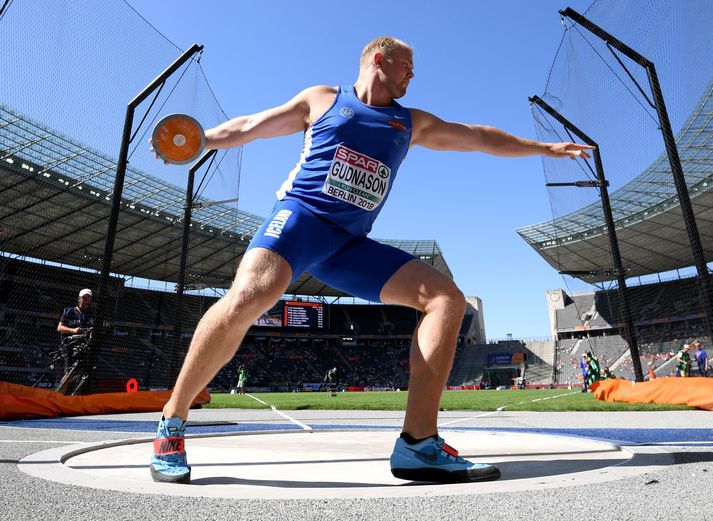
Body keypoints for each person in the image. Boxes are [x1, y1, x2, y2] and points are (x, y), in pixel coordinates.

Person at [149, 36, 593, 485]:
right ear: (379, 60)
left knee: (446, 298)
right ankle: (172, 420)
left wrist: (542, 148)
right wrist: (201, 139)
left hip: (348, 244)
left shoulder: (410, 122)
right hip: (300, 218)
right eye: (407, 65)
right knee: (252, 295)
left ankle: (419, 444)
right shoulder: (322, 98)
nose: (412, 75)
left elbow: (477, 137)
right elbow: (253, 125)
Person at [56, 289, 94, 375]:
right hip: (69, 347)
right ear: (79, 299)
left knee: (85, 373)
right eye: (84, 298)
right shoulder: (69, 312)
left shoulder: (91, 314)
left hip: (84, 348)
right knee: (68, 373)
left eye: (88, 299)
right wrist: (73, 330)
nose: (86, 301)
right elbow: (59, 328)